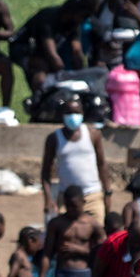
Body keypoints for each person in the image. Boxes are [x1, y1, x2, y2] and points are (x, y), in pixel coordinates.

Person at [41, 95, 110, 223]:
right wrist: (48, 199)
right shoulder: (54, 139)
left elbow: (102, 164)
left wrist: (108, 192)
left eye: (76, 112)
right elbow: (45, 171)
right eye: (69, 113)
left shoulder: (92, 134)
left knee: (97, 234)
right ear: (62, 114)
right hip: (67, 199)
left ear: (83, 114)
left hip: (92, 196)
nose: (73, 116)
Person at [12, 0, 92, 93]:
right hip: (21, 49)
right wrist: (64, 75)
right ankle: (37, 99)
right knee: (44, 67)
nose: (83, 19)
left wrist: (81, 76)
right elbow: (52, 54)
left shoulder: (75, 25)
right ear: (70, 14)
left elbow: (77, 53)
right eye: (82, 16)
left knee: (57, 71)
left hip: (40, 51)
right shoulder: (49, 18)